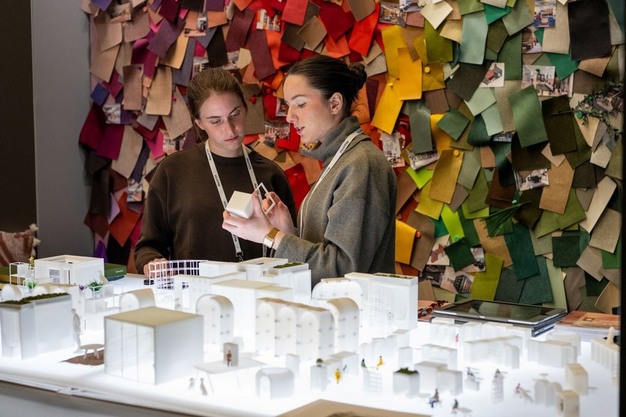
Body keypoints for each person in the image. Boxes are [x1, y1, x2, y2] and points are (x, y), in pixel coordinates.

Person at [222, 55, 397, 286]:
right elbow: (326, 255)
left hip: (354, 308)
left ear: (335, 103)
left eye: (301, 104)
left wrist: (271, 236)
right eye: (288, 106)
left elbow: (344, 271)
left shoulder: (361, 163)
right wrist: (287, 231)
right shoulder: (339, 159)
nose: (289, 117)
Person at [135, 68, 297, 275]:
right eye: (215, 121)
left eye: (235, 114)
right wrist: (153, 264)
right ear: (199, 123)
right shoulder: (172, 171)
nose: (229, 129)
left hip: (262, 290)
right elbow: (147, 248)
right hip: (194, 292)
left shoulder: (271, 174)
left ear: (245, 108)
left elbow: (292, 248)